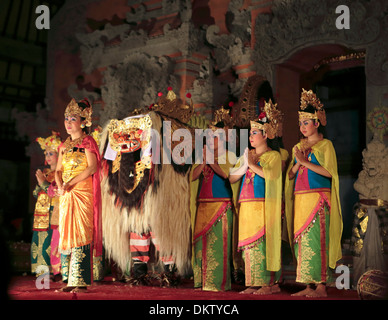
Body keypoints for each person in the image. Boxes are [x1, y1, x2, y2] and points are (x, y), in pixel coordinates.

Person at [285, 89, 342, 297]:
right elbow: (290, 175)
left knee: (317, 240)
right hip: (300, 199)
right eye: (300, 123)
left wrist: (305, 162)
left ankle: (321, 286)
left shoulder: (325, 145)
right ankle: (308, 285)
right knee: (302, 241)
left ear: (317, 123)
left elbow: (329, 173)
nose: (302, 127)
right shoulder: (298, 147)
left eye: (306, 122)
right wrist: (297, 162)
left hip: (318, 198)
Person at [229, 100, 282, 295]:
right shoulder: (248, 156)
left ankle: (268, 284)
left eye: (254, 133)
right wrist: (245, 164)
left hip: (263, 206)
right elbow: (232, 178)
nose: (250, 137)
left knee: (262, 244)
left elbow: (271, 176)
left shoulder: (273, 156)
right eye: (250, 133)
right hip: (246, 206)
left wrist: (250, 165)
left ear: (265, 135)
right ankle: (253, 282)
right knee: (249, 247)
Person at [55, 98, 103, 293]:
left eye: (72, 118)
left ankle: (81, 281)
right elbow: (58, 170)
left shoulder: (87, 141)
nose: (68, 122)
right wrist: (60, 186)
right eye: (66, 118)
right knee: (68, 234)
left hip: (82, 192)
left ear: (83, 122)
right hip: (66, 193)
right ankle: (71, 280)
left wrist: (71, 183)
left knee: (82, 233)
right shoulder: (63, 146)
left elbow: (93, 166)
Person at [190, 116, 237, 292]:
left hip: (221, 204)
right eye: (208, 136)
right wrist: (203, 162)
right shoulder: (204, 156)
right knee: (200, 242)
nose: (210, 139)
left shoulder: (229, 155)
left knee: (218, 245)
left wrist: (210, 160)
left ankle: (216, 283)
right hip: (202, 204)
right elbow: (193, 177)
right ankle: (200, 281)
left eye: (214, 136)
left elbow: (226, 175)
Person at [31, 131, 62, 278]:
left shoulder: (61, 173)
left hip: (54, 213)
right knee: (41, 242)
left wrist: (44, 184)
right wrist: (41, 184)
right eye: (46, 154)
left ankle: (55, 271)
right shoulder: (46, 172)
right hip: (41, 213)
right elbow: (36, 192)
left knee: (51, 243)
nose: (47, 157)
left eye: (51, 154)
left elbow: (55, 192)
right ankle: (42, 272)